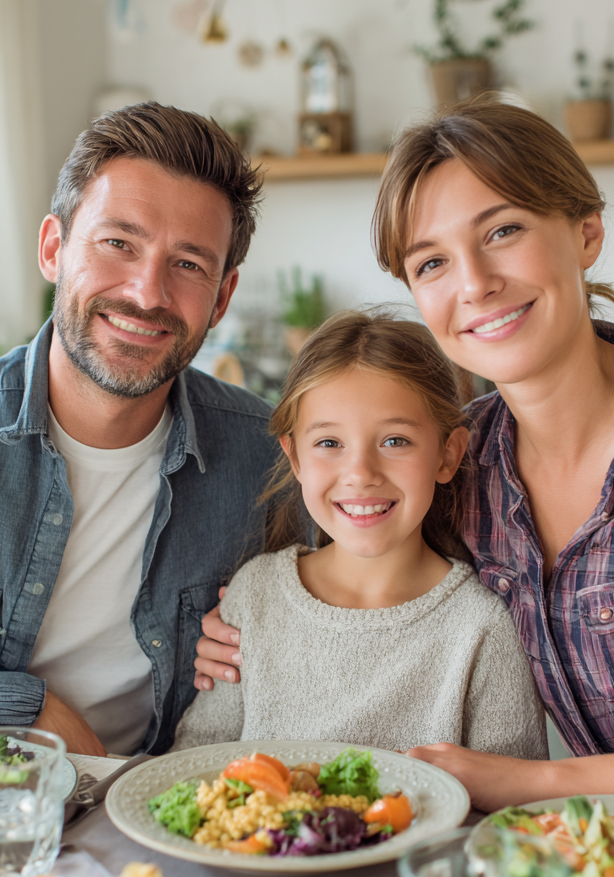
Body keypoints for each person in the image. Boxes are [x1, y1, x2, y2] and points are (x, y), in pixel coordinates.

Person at [195, 98, 614, 830]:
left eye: (503, 231)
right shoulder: (467, 459)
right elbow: (366, 554)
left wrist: (542, 782)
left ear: (586, 230)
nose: (473, 283)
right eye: (432, 262)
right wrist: (249, 623)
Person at [0, 103, 278, 757]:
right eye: (119, 244)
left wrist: (276, 632)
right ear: (54, 249)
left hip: (173, 821)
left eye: (188, 265)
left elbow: (365, 618)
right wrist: (14, 707)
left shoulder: (272, 455)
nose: (148, 294)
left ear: (222, 298)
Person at [171, 310, 546, 759]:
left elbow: (511, 809)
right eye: (329, 444)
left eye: (395, 441)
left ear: (447, 455)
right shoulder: (255, 595)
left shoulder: (482, 627)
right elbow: (194, 761)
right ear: (295, 458)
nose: (361, 474)